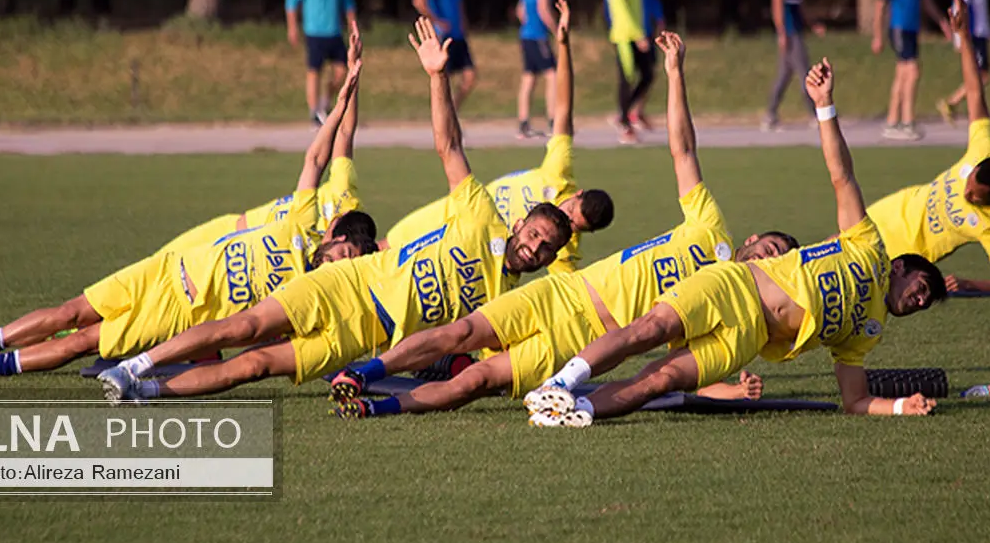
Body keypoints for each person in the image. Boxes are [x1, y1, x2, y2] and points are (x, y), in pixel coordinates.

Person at [95, 17, 574, 403]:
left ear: (551, 259)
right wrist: (437, 77)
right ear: (518, 224)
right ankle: (135, 366)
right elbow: (449, 145)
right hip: (348, 283)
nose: (534, 247)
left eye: (545, 248)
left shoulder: (504, 299)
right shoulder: (481, 214)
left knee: (256, 366)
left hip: (364, 334)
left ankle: (146, 392)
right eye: (533, 234)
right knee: (249, 327)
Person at [327, 31, 798, 420]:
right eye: (770, 247)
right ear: (753, 239)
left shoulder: (730, 305)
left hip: (580, 341)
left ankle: (375, 408)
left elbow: (668, 373)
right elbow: (683, 151)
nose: (767, 260)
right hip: (560, 296)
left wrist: (731, 393)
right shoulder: (711, 229)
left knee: (476, 381)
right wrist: (674, 74)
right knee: (463, 333)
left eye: (778, 262)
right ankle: (364, 373)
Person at [525, 56, 949, 427]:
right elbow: (842, 176)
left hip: (749, 337)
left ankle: (571, 412)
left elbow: (855, 401)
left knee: (662, 379)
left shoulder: (868, 331)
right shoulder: (868, 247)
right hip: (735, 286)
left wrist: (898, 407)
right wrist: (824, 108)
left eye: (925, 304)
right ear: (900, 267)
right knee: (649, 329)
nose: (919, 301)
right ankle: (561, 383)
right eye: (922, 289)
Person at [0, 63, 377, 379]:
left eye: (349, 261)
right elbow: (318, 156)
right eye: (344, 253)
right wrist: (339, 104)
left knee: (82, 340)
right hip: (167, 270)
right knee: (71, 311)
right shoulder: (302, 222)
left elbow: (261, 335)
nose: (340, 263)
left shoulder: (305, 291)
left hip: (178, 311)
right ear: (335, 235)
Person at [380, 0, 612, 276]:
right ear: (577, 194)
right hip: (452, 211)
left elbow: (572, 295)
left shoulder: (561, 250)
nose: (568, 218)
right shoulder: (557, 174)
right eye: (573, 209)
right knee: (382, 251)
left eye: (576, 225)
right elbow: (563, 109)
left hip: (468, 260)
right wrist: (562, 45)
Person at [157, 23, 367, 255]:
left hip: (251, 262)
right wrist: (352, 72)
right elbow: (346, 132)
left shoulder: (326, 259)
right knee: (160, 262)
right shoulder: (346, 199)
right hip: (236, 228)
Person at [867, 0, 990, 293]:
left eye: (975, 196)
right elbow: (975, 91)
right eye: (969, 184)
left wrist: (969, 283)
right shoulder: (981, 149)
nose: (966, 194)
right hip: (892, 210)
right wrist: (964, 36)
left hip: (903, 255)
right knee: (828, 249)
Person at [871, 0, 952, 141]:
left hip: (912, 28)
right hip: (898, 27)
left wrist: (942, 21)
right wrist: (878, 35)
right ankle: (908, 121)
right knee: (912, 71)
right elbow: (881, 5)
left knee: (902, 75)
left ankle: (892, 121)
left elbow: (925, 0)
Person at [285, 0, 357, 126]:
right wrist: (293, 28)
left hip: (334, 31)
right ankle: (313, 112)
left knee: (342, 71)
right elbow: (292, 2)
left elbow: (348, 3)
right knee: (314, 71)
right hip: (314, 31)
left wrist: (352, 26)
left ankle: (325, 102)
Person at [763, 0, 826, 132]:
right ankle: (814, 114)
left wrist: (813, 25)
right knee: (804, 73)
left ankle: (770, 114)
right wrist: (782, 33)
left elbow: (801, 8)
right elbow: (777, 9)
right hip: (790, 35)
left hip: (797, 32)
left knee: (784, 75)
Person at [604, 0, 665, 132]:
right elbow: (619, 11)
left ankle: (628, 113)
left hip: (642, 33)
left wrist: (658, 20)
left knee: (647, 74)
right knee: (627, 77)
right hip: (625, 37)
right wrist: (637, 35)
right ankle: (625, 120)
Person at [413, 0, 475, 110]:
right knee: (443, 78)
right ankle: (443, 114)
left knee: (470, 77)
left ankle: (452, 109)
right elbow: (418, 0)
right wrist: (436, 20)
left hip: (458, 34)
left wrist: (464, 24)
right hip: (443, 35)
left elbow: (459, 3)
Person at [937, 0, 990, 124]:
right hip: (972, 36)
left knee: (982, 76)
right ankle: (971, 113)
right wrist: (959, 38)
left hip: (980, 35)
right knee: (979, 76)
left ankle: (954, 105)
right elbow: (958, 10)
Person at [515, 0, 559, 138]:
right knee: (553, 75)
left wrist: (528, 25)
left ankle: (523, 123)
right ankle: (553, 121)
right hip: (538, 36)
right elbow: (543, 9)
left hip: (525, 35)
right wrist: (557, 30)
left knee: (529, 78)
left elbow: (520, 11)